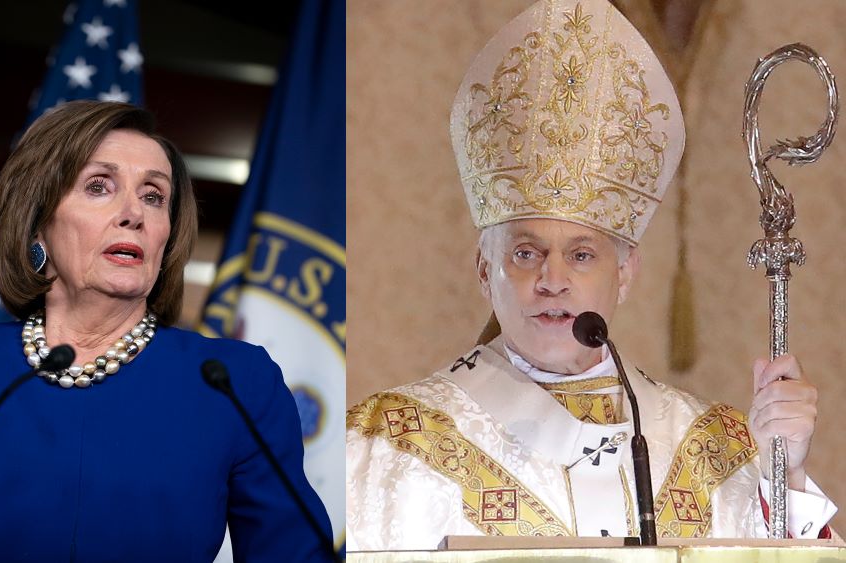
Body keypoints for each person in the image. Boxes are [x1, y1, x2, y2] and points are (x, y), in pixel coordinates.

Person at [346, 0, 837, 550]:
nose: (552, 279)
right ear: (485, 270)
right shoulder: (387, 447)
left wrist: (786, 477)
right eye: (526, 253)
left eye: (582, 256)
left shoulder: (713, 451)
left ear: (625, 273)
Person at [0, 100, 332, 562]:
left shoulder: (233, 382)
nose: (133, 214)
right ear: (37, 226)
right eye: (99, 186)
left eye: (153, 196)